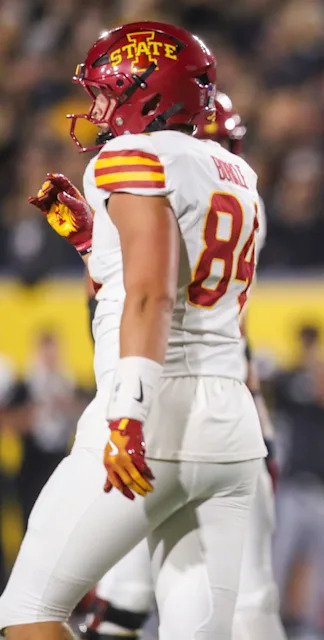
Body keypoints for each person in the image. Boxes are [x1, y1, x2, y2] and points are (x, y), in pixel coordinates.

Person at [0, 22, 266, 640]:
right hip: (229, 426)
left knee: (28, 611)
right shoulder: (235, 172)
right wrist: (95, 239)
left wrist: (129, 414)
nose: (94, 108)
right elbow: (170, 275)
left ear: (145, 90)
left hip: (155, 410)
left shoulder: (132, 155)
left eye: (103, 91)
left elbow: (150, 293)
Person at [74, 92, 285, 640]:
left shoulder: (157, 180)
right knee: (246, 601)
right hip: (230, 419)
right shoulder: (246, 196)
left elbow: (141, 302)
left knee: (111, 600)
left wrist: (93, 245)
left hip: (152, 418)